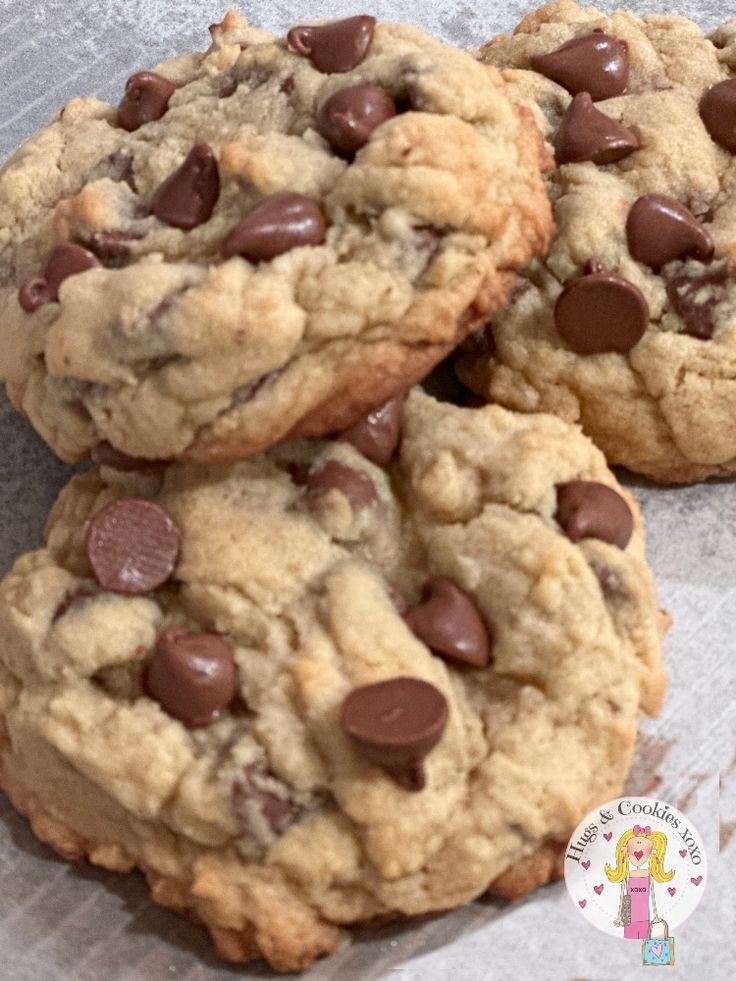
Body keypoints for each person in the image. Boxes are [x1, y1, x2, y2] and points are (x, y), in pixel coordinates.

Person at [604, 825, 675, 940]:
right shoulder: (626, 875)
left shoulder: (648, 875)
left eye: (644, 853)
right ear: (626, 851)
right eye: (633, 853)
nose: (638, 856)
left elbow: (653, 897)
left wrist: (655, 915)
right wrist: (619, 917)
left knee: (644, 941)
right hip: (629, 918)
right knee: (629, 940)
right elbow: (622, 897)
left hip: (645, 918)